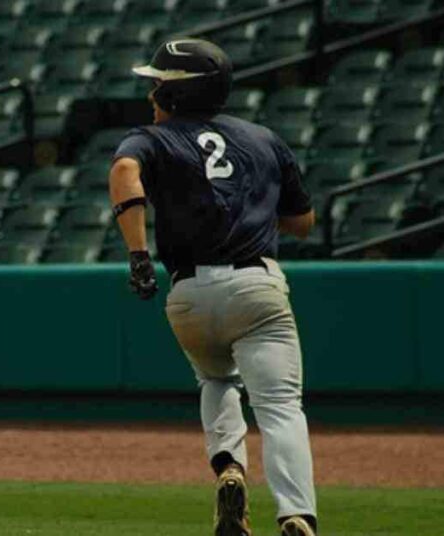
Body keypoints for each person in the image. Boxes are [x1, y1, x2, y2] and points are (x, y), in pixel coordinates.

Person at [107, 38, 319, 536]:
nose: (152, 94)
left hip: (190, 294)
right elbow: (303, 222)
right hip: (256, 286)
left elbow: (122, 172)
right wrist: (252, 208)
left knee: (216, 380)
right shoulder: (264, 138)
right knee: (280, 407)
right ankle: (296, 515)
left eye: (158, 84)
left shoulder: (151, 139)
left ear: (178, 94)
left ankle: (229, 465)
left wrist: (138, 253)